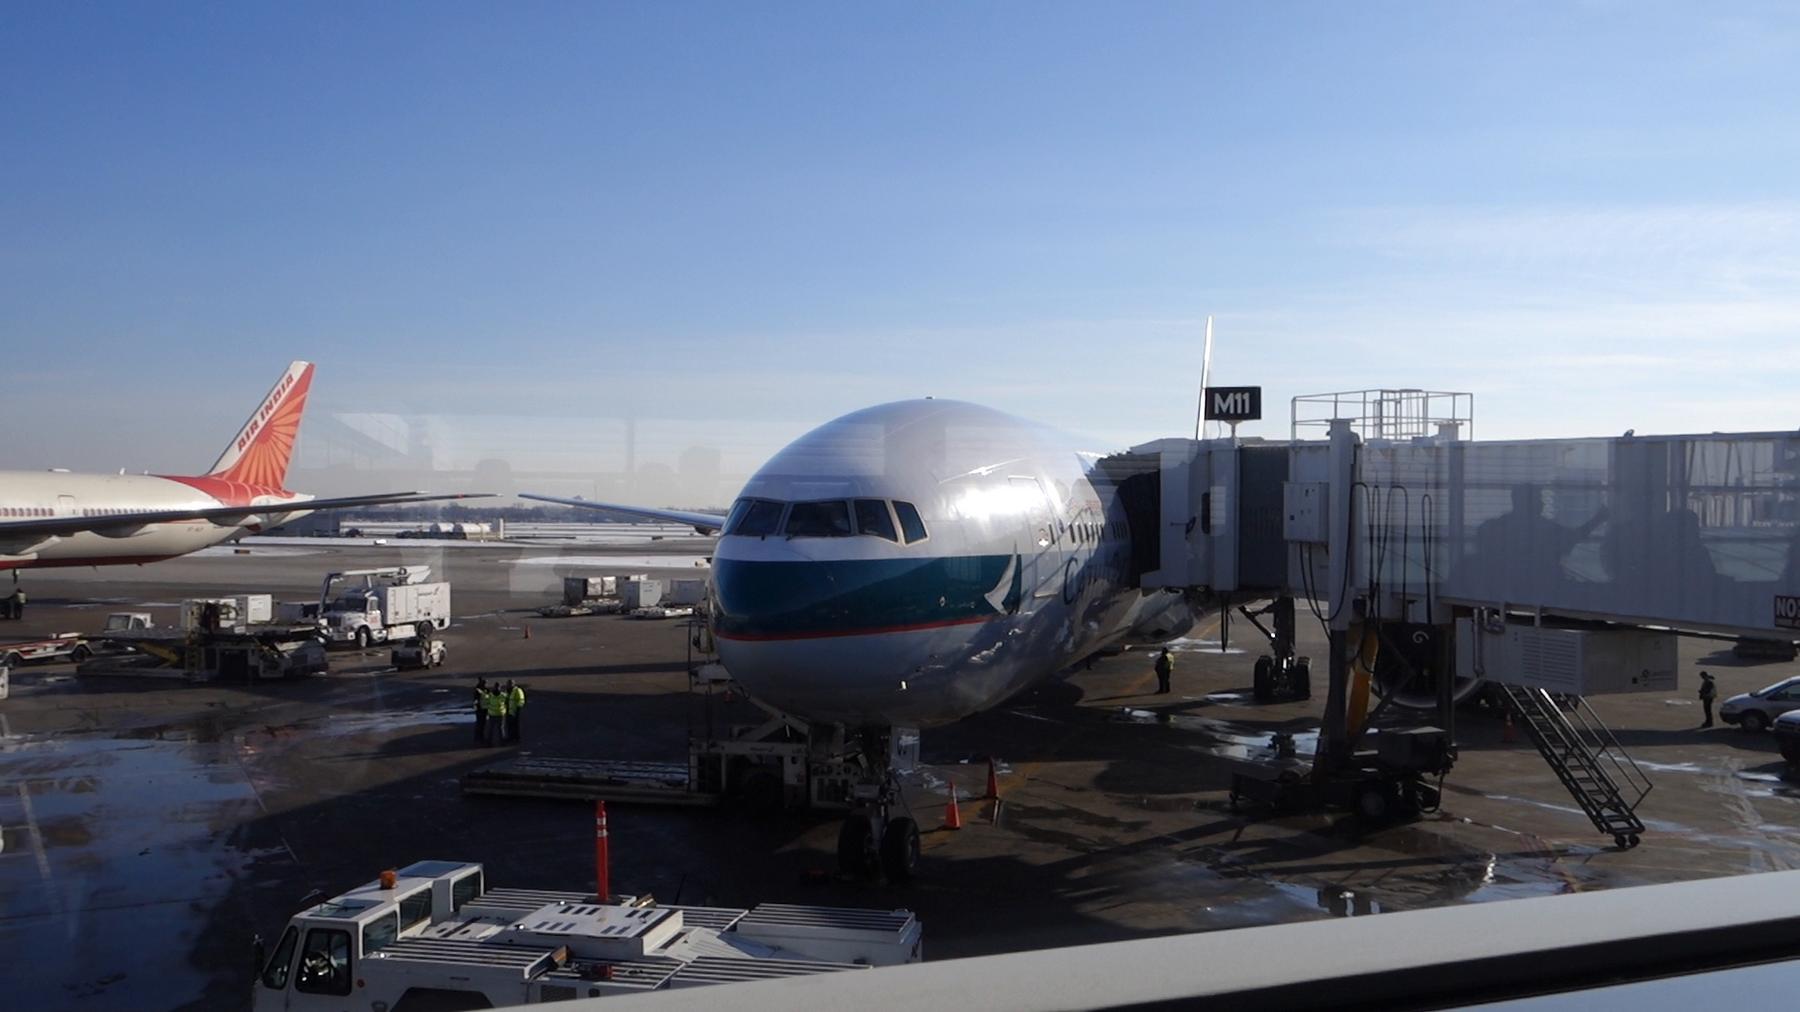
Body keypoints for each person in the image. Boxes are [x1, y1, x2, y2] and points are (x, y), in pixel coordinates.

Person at [504, 679, 526, 743]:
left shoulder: (517, 690)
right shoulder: (507, 691)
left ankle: (516, 738)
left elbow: (521, 700)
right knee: (509, 725)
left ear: (513, 684)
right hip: (509, 710)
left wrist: (518, 708)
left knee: (515, 725)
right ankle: (510, 737)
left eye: (509, 684)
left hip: (515, 710)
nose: (508, 685)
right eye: (508, 684)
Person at [472, 677, 489, 745]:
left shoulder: (486, 690)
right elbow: (476, 700)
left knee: (482, 724)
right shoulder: (478, 691)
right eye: (485, 683)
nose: (486, 685)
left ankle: (480, 737)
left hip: (484, 709)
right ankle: (478, 738)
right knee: (480, 724)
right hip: (480, 710)